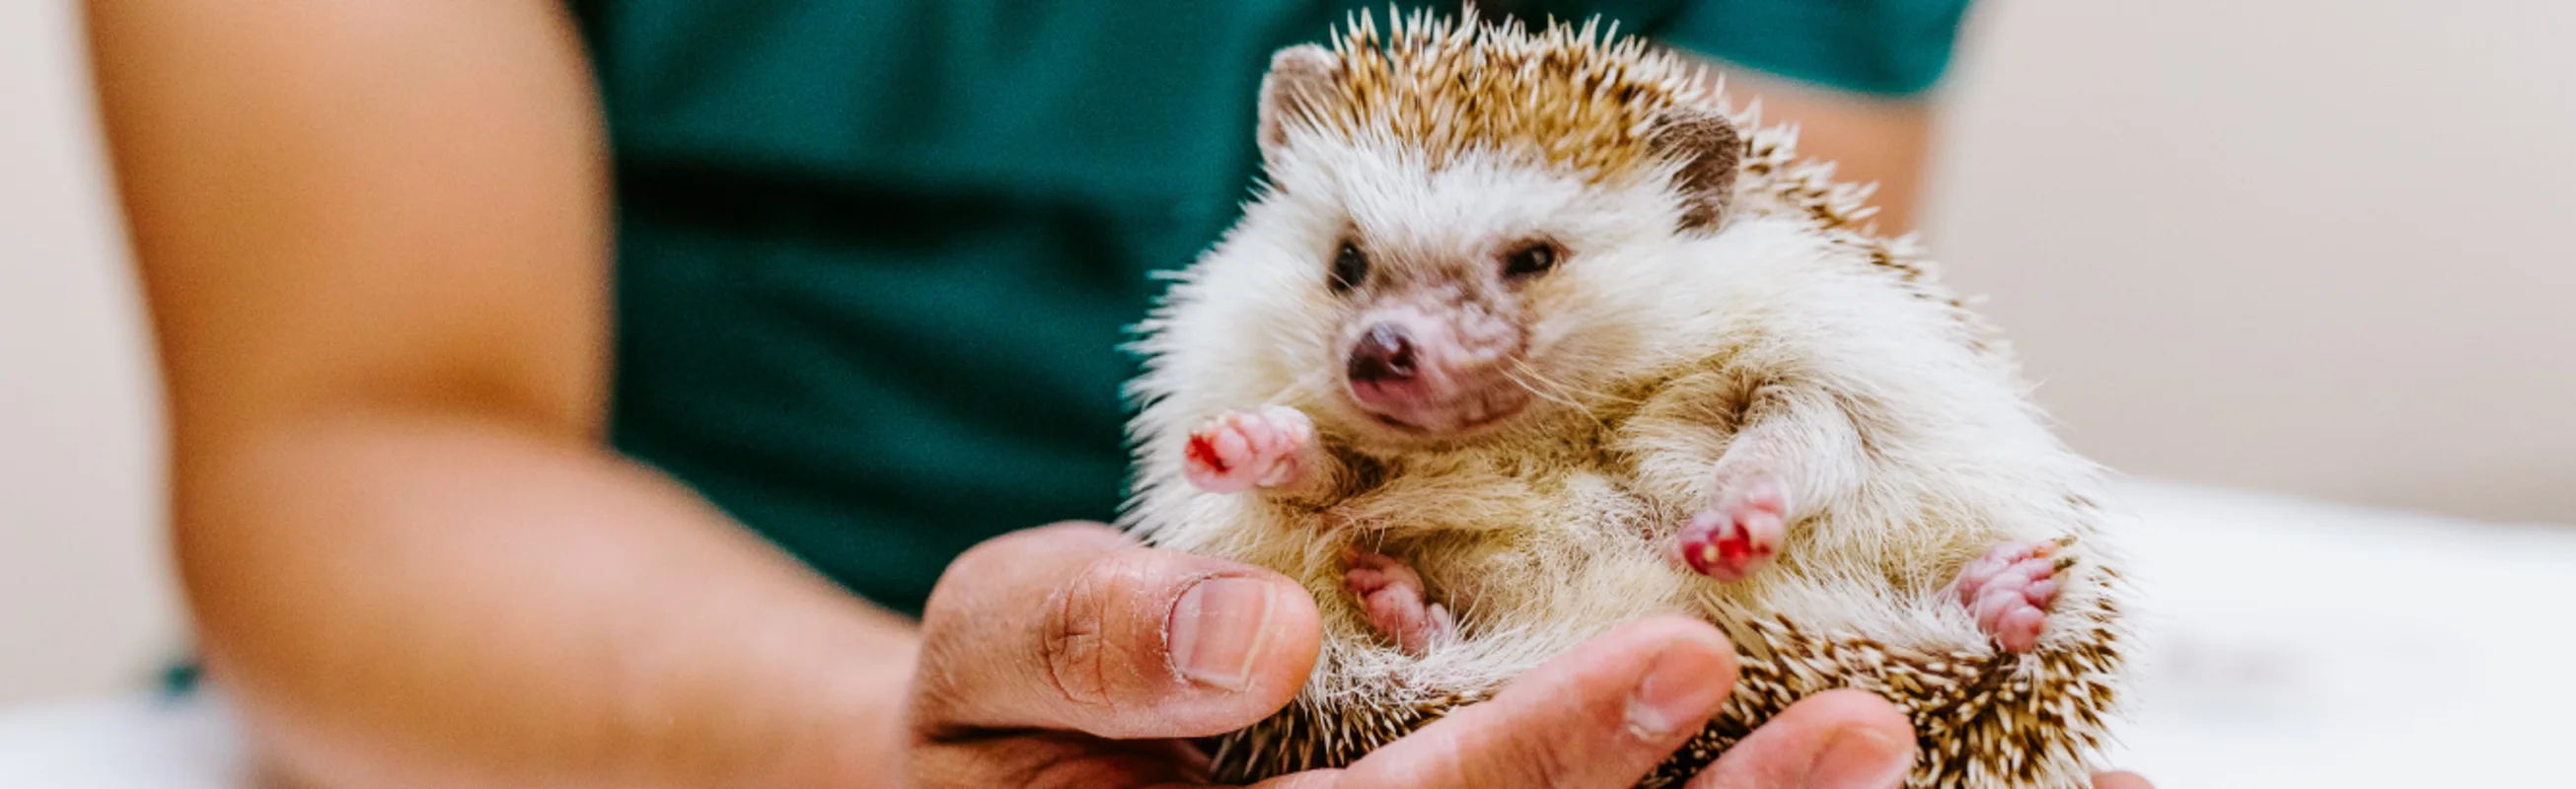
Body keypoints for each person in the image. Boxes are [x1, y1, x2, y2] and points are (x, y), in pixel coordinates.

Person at [87, 0, 2150, 786]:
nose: (1400, 344)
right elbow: (356, 438)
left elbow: (1725, 457)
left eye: (1511, 268)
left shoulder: (1699, 247)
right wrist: (898, 751)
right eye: (1357, 276)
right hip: (553, 725)